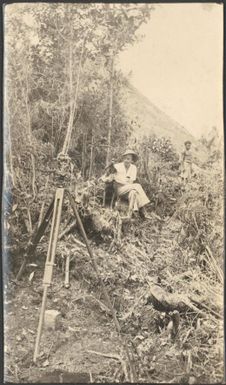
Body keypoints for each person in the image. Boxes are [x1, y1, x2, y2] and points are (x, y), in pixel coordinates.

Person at [101, 149, 150, 219]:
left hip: (128, 189)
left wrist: (120, 180)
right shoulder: (117, 166)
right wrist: (110, 179)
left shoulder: (133, 168)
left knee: (133, 192)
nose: (126, 160)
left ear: (132, 160)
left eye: (128, 159)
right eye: (125, 158)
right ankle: (143, 208)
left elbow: (131, 182)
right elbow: (108, 174)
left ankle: (129, 214)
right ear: (123, 159)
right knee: (137, 186)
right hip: (119, 189)